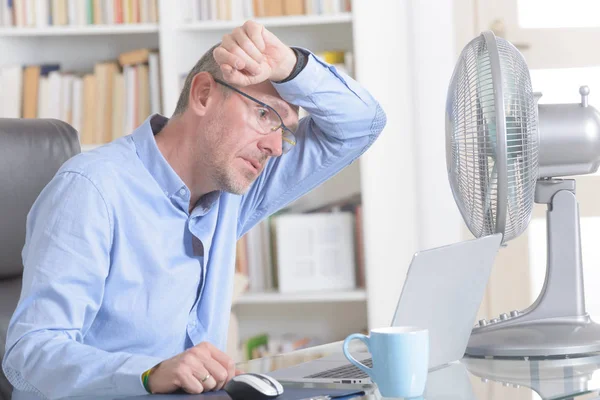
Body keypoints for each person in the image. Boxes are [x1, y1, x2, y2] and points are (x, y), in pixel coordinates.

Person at [2, 20, 386, 399]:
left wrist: (291, 67)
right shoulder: (91, 189)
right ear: (203, 95)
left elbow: (362, 125)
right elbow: (30, 356)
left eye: (284, 132)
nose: (274, 146)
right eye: (265, 115)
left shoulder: (234, 190)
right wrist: (149, 373)